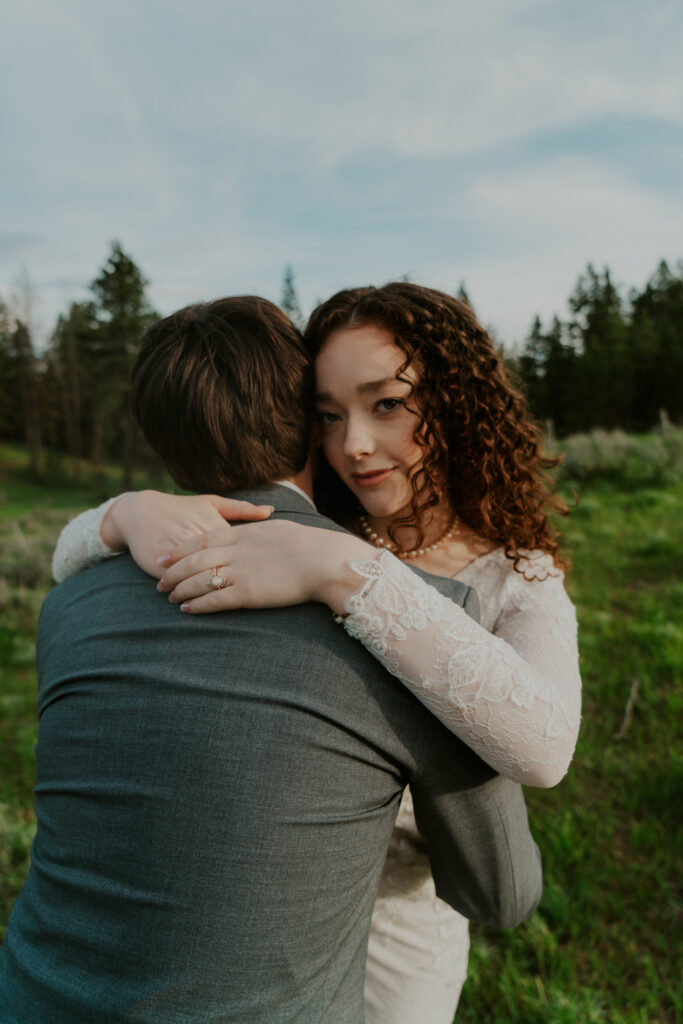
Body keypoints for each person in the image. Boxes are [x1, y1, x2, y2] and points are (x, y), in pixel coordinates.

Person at [0, 296, 544, 1024]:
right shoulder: (414, 623)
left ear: (160, 437)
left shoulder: (70, 607)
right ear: (307, 422)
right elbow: (499, 894)